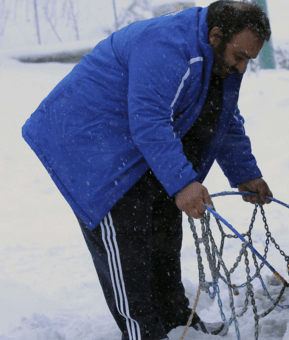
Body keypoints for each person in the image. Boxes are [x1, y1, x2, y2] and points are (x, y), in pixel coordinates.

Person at [21, 1, 272, 339]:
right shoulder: (168, 46)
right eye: (240, 56)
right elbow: (149, 121)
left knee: (163, 235)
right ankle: (143, 332)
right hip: (89, 144)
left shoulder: (218, 60)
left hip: (133, 142)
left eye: (249, 60)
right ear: (216, 36)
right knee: (129, 248)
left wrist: (245, 172)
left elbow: (221, 116)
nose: (242, 67)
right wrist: (184, 183)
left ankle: (176, 324)